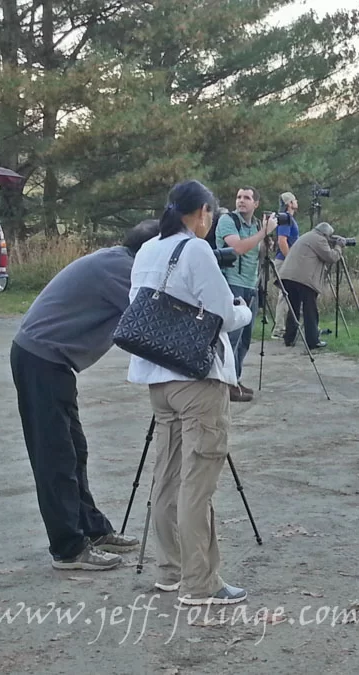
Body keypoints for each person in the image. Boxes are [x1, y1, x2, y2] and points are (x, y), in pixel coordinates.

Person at [125, 180, 270, 606]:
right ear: (203, 213)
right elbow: (223, 314)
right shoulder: (196, 250)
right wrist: (245, 310)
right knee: (198, 480)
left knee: (166, 475)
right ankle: (201, 582)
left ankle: (169, 570)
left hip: (157, 378)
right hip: (197, 377)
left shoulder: (148, 249)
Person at [10, 219, 160, 571]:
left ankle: (92, 529)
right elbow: (150, 319)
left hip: (51, 362)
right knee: (55, 458)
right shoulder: (122, 270)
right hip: (41, 360)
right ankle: (69, 549)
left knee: (74, 450)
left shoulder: (120, 260)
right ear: (151, 253)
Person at [214, 186, 277, 402]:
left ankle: (235, 379)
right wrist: (264, 233)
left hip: (251, 285)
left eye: (247, 198)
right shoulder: (227, 221)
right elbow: (237, 248)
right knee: (230, 337)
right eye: (239, 196)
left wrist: (266, 242)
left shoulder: (258, 225)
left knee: (245, 338)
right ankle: (224, 384)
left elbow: (257, 252)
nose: (241, 201)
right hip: (230, 283)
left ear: (256, 204)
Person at [277, 221, 343, 349]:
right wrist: (339, 246)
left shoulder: (307, 236)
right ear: (325, 234)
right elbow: (331, 257)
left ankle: (289, 338)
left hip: (288, 276)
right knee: (310, 310)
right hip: (304, 279)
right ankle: (313, 341)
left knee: (293, 309)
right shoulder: (319, 239)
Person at [270, 191, 300, 339]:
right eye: (294, 200)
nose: (296, 202)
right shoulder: (286, 219)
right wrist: (290, 259)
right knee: (285, 294)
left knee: (287, 293)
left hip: (285, 259)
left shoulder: (289, 219)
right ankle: (279, 328)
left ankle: (285, 326)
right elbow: (282, 240)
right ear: (289, 204)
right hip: (284, 260)